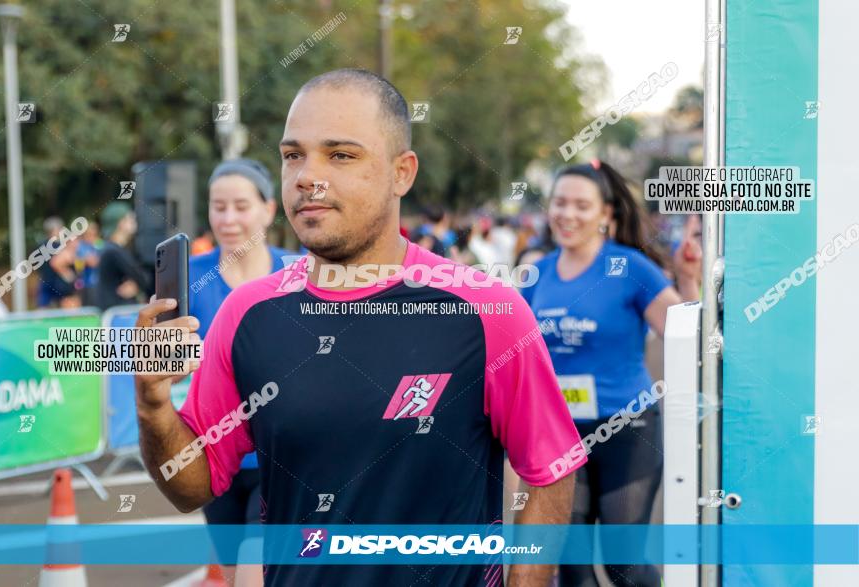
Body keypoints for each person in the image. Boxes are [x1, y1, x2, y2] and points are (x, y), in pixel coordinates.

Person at [135, 68, 585, 587]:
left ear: (402, 172)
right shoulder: (246, 314)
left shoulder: (486, 310)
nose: (307, 176)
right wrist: (152, 406)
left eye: (340, 155)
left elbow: (551, 468)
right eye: (292, 155)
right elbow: (191, 486)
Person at [520, 159, 700, 587]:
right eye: (560, 203)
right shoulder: (536, 275)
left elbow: (684, 335)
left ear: (606, 214)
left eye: (582, 205)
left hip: (626, 428)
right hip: (560, 436)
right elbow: (517, 356)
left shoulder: (630, 269)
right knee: (572, 568)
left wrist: (690, 281)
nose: (568, 214)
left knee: (624, 567)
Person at [190, 158, 293, 585]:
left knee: (255, 572)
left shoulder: (300, 272)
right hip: (214, 460)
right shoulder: (188, 278)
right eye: (218, 207)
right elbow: (160, 367)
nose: (228, 218)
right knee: (236, 576)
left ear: (269, 209)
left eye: (240, 206)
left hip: (281, 458)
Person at [96, 202, 152, 311]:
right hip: (117, 316)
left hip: (114, 313)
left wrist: (136, 285)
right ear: (121, 223)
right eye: (131, 219)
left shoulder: (108, 249)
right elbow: (143, 279)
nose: (134, 222)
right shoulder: (113, 251)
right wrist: (138, 284)